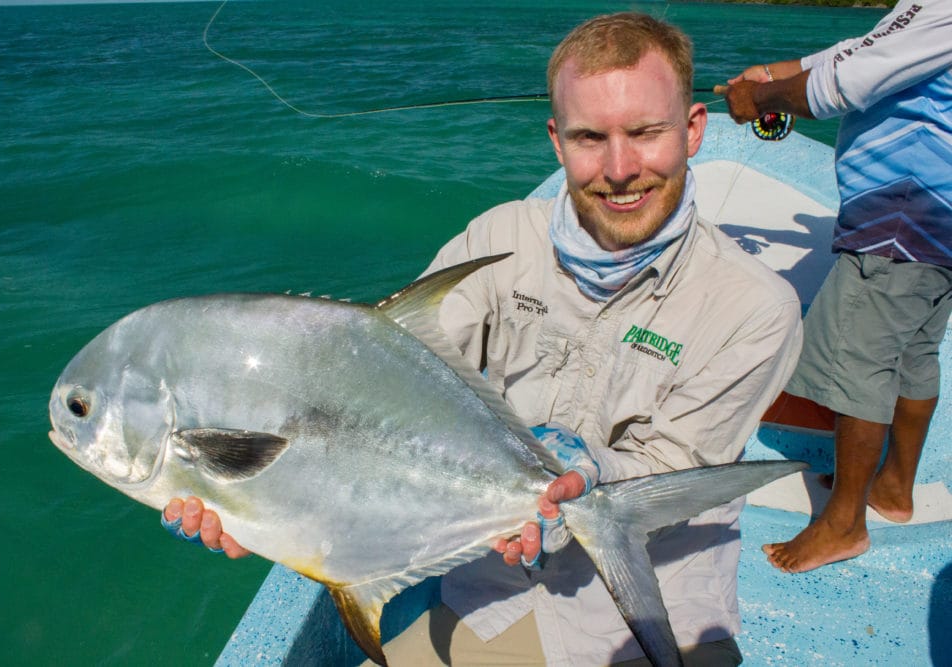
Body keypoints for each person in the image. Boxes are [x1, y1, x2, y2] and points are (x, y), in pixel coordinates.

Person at [164, 12, 803, 665]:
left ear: (693, 129)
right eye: (590, 137)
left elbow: (678, 463)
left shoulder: (755, 306)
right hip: (485, 591)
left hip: (647, 614)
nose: (619, 167)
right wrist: (265, 501)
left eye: (645, 132)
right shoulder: (498, 243)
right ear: (557, 142)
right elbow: (383, 378)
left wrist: (586, 476)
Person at [722, 0, 952, 574]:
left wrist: (765, 99)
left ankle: (844, 523)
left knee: (860, 362)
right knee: (914, 352)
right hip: (938, 214)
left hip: (897, 211)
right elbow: (867, 53)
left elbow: (845, 83)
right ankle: (893, 486)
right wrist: (777, 73)